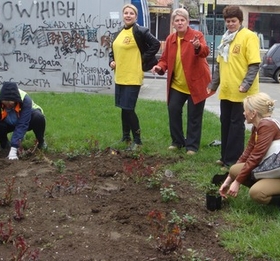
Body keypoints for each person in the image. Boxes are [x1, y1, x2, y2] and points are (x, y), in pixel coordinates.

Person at [219, 92, 280, 209]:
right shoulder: (257, 127)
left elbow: (255, 158)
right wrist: (228, 181)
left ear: (253, 113)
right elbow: (247, 154)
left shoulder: (267, 126)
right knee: (234, 170)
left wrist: (237, 182)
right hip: (277, 166)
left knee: (256, 193)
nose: (243, 113)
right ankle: (268, 186)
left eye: (245, 110)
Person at [151, 8, 211, 155]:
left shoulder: (197, 35)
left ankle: (192, 146)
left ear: (187, 22)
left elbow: (205, 51)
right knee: (173, 110)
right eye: (177, 20)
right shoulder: (171, 39)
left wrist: (197, 46)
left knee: (194, 116)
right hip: (178, 84)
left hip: (196, 83)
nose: (179, 23)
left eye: (182, 20)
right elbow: (165, 59)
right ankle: (177, 141)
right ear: (173, 23)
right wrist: (159, 67)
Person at [207, 5, 261, 169]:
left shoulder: (249, 37)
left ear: (240, 21)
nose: (230, 24)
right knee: (225, 123)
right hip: (227, 90)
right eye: (228, 21)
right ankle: (224, 157)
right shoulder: (225, 38)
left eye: (233, 21)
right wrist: (213, 85)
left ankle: (233, 161)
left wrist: (245, 84)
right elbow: (219, 65)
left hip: (242, 92)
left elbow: (254, 64)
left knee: (237, 126)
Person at [108, 4, 160, 150]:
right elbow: (112, 51)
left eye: (131, 13)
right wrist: (111, 61)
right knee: (123, 108)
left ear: (135, 16)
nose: (128, 15)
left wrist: (143, 58)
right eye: (126, 13)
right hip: (120, 75)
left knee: (129, 108)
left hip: (132, 76)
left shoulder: (140, 31)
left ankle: (137, 141)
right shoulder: (118, 33)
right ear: (123, 15)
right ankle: (125, 137)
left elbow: (155, 44)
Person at [0, 82, 46, 160]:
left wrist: (14, 148)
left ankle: (40, 142)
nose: (8, 106)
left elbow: (22, 124)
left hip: (27, 120)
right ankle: (5, 144)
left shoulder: (25, 100)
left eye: (10, 104)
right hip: (7, 122)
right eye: (5, 104)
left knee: (38, 118)